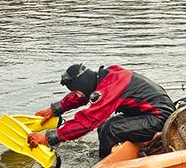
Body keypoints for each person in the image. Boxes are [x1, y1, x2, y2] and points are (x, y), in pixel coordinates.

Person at [28, 63, 175, 158]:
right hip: (147, 113)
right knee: (104, 128)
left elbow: (87, 122)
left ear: (83, 84)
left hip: (160, 118)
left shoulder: (109, 88)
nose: (77, 95)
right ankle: (114, 155)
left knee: (110, 129)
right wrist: (55, 110)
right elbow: (82, 95)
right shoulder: (104, 78)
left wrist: (49, 137)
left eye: (77, 91)